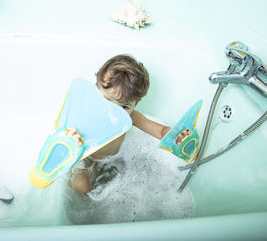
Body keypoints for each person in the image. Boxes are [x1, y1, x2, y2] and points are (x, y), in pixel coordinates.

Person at [69, 54, 191, 194]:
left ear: (135, 104)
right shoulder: (87, 115)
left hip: (115, 159)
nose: (113, 113)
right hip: (87, 160)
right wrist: (72, 138)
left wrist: (176, 136)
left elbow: (160, 131)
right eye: (108, 101)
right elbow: (68, 134)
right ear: (95, 90)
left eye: (124, 107)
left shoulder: (131, 118)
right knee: (81, 186)